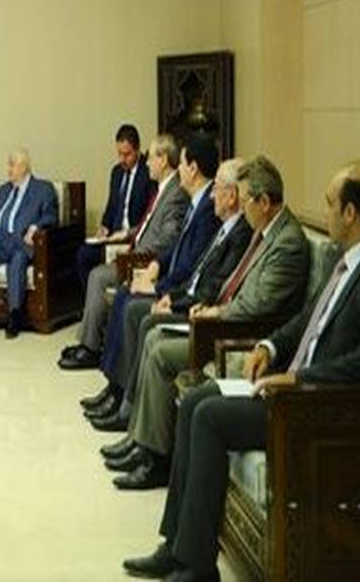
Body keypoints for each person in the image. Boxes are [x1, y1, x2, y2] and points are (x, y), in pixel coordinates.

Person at [123, 160, 360, 582]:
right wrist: (270, 345)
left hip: (316, 409)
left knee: (209, 416)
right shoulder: (349, 260)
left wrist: (298, 379)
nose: (325, 212)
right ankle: (175, 545)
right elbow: (307, 319)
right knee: (196, 400)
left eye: (330, 204)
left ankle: (196, 566)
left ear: (351, 213)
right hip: (292, 392)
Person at [112, 155, 310, 491]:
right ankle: (142, 443)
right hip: (220, 320)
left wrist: (216, 313)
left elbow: (259, 305)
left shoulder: (287, 242)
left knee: (159, 351)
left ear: (263, 202)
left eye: (245, 199)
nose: (242, 208)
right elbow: (230, 283)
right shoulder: (263, 232)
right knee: (153, 335)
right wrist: (209, 306)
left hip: (240, 336)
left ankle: (155, 458)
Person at [85, 158, 252, 450]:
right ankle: (120, 397)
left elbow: (208, 285)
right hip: (185, 295)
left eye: (218, 190)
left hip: (202, 315)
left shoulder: (233, 231)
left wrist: (171, 300)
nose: (213, 195)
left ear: (232, 196)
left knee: (141, 316)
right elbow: (193, 266)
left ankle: (132, 418)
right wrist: (167, 289)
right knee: (131, 303)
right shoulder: (221, 224)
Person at [60, 134, 189, 369]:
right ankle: (89, 342)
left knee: (98, 276)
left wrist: (133, 254)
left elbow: (167, 240)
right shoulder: (163, 189)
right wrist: (125, 234)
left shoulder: (176, 194)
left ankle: (90, 348)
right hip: (132, 250)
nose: (147, 162)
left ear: (163, 161)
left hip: (143, 261)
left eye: (151, 158)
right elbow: (146, 224)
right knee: (88, 261)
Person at [0, 148, 59, 338]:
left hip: (22, 244)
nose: (8, 169)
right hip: (1, 243)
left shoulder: (43, 189)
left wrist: (35, 228)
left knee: (17, 262)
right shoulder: (4, 189)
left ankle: (15, 316)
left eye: (12, 165)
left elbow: (51, 215)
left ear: (23, 167)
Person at [75, 124, 154, 285]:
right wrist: (104, 227)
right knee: (83, 254)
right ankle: (91, 299)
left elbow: (151, 214)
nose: (122, 159)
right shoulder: (117, 172)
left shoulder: (148, 173)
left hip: (134, 238)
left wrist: (129, 233)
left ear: (137, 150)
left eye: (127, 154)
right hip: (113, 238)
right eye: (119, 153)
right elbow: (111, 206)